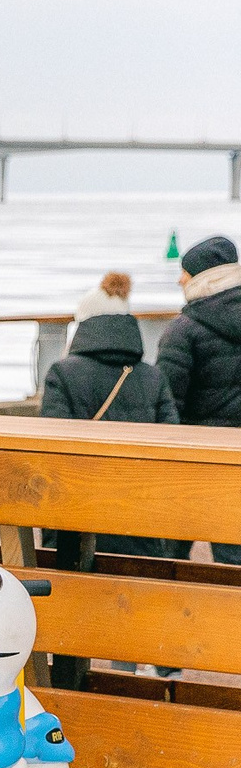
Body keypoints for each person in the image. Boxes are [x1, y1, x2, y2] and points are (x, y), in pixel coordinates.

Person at [39, 272, 180, 574]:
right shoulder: (153, 377)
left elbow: (52, 446)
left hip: (74, 522)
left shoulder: (62, 373)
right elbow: (171, 442)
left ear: (84, 325)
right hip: (141, 520)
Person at [159, 235, 241, 565]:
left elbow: (165, 404)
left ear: (204, 277)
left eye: (186, 273)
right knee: (233, 552)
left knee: (169, 552)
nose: (180, 279)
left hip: (197, 458)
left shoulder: (184, 330)